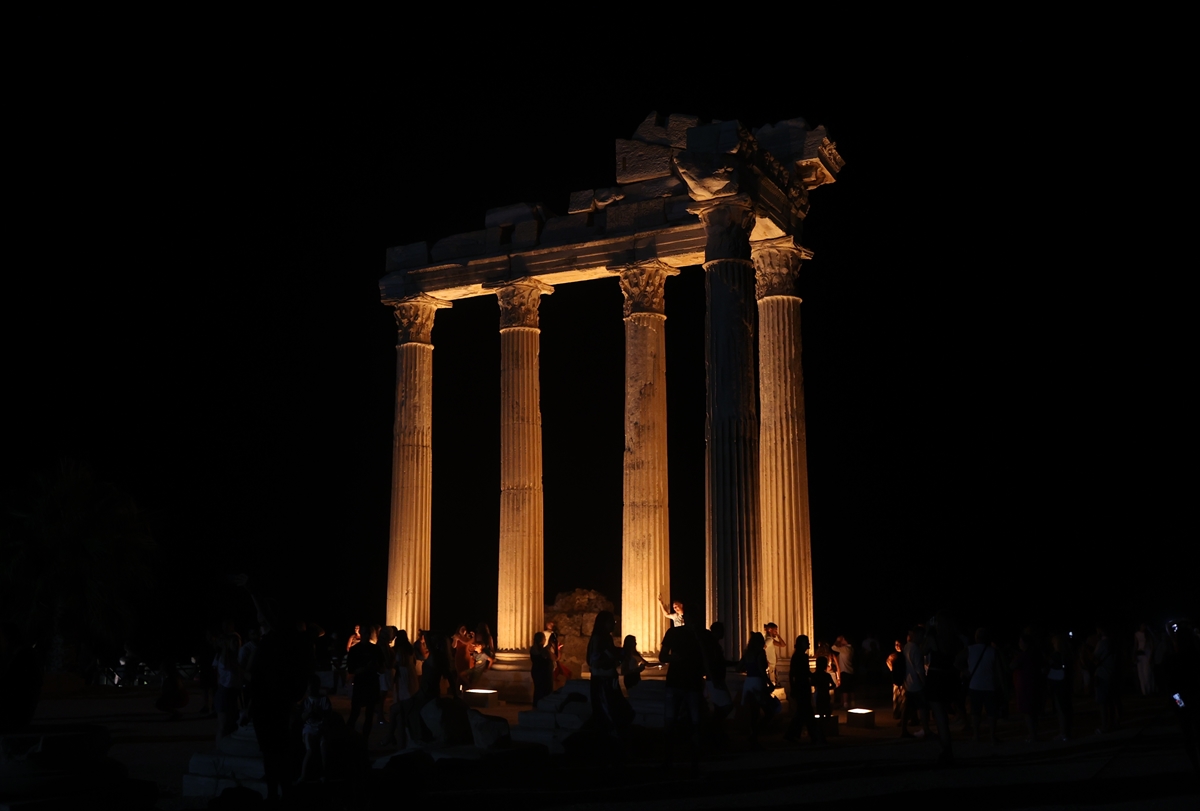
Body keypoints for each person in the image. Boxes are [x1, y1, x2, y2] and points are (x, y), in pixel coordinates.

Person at [660, 610, 705, 764]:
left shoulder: (700, 635)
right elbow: (662, 656)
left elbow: (663, 656)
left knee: (682, 721)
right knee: (689, 721)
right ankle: (676, 757)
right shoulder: (676, 632)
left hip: (685, 682)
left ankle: (676, 757)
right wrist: (672, 658)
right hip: (683, 682)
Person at [588, 611, 631, 734]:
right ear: (604, 623)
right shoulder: (599, 639)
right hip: (602, 683)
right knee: (607, 714)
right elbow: (595, 662)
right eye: (612, 622)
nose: (614, 624)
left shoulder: (606, 638)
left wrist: (622, 653)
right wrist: (616, 658)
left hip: (608, 681)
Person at [784, 635, 825, 745]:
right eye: (806, 642)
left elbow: (801, 673)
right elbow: (795, 673)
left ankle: (793, 734)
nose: (809, 644)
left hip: (802, 685)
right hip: (801, 686)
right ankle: (814, 736)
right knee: (806, 712)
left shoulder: (801, 656)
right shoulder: (798, 657)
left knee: (803, 712)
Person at [346, 624, 383, 740]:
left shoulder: (375, 649)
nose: (367, 635)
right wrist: (365, 668)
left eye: (368, 633)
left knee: (369, 714)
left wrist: (375, 667)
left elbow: (382, 668)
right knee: (356, 712)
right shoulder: (355, 650)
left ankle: (364, 739)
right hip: (361, 683)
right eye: (366, 632)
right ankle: (349, 736)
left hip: (371, 683)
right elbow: (351, 669)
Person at [966, 628, 1001, 744]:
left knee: (975, 712)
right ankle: (992, 736)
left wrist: (966, 671)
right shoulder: (992, 651)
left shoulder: (970, 649)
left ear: (976, 638)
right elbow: (998, 670)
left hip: (975, 685)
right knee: (991, 712)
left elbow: (957, 660)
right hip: (989, 685)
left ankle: (976, 736)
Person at [739, 632, 770, 751]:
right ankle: (755, 735)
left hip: (749, 681)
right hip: (757, 681)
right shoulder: (760, 652)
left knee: (753, 711)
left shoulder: (747, 653)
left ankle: (753, 735)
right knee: (767, 710)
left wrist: (748, 668)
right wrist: (769, 682)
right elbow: (762, 670)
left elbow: (738, 667)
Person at [299, 674, 332, 782]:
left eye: (311, 686)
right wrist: (309, 712)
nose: (309, 689)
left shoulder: (324, 699)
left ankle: (324, 773)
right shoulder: (305, 701)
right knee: (310, 750)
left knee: (324, 748)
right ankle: (303, 775)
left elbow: (328, 715)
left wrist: (319, 712)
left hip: (322, 728)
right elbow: (302, 718)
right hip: (309, 728)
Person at [901, 625, 931, 739]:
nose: (923, 638)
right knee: (922, 707)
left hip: (908, 682)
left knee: (907, 708)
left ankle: (903, 730)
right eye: (922, 636)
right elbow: (920, 670)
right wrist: (925, 683)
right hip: (917, 684)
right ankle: (926, 730)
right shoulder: (916, 649)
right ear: (917, 635)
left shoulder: (907, 646)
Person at [831, 635, 856, 709]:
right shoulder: (850, 648)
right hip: (850, 670)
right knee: (850, 689)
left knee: (845, 689)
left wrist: (837, 641)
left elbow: (833, 647)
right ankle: (852, 703)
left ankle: (845, 704)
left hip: (845, 671)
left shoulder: (845, 649)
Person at [529, 632, 554, 704]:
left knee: (538, 690)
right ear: (542, 640)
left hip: (536, 671)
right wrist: (550, 646)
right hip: (544, 673)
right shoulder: (543, 651)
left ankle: (537, 704)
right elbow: (554, 657)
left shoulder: (533, 649)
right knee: (546, 690)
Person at [886, 639, 906, 721]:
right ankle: (897, 714)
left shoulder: (905, 655)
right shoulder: (893, 656)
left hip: (904, 680)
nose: (897, 646)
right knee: (896, 698)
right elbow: (889, 664)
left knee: (904, 699)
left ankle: (904, 715)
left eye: (899, 644)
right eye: (896, 644)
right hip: (896, 680)